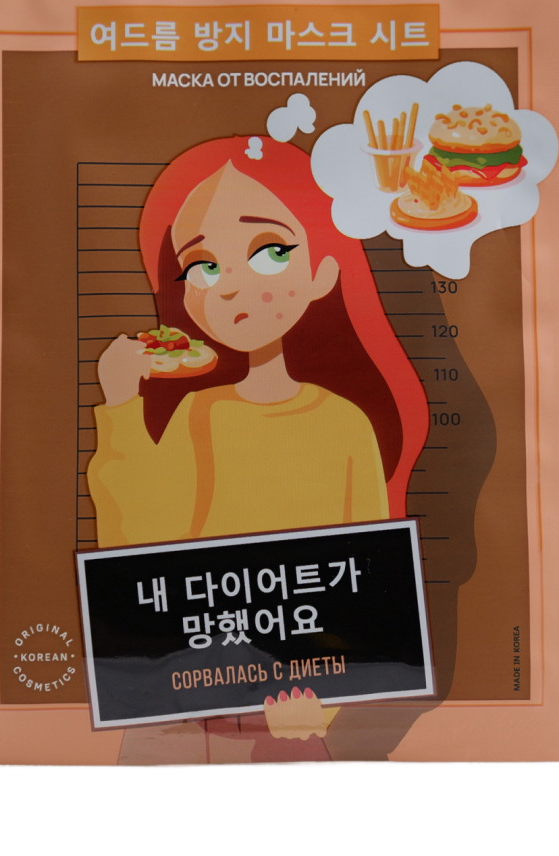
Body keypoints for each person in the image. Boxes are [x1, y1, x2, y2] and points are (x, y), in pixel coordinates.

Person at [87, 136, 428, 761]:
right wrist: (121, 405)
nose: (231, 287)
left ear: (323, 271)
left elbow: (367, 584)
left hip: (295, 712)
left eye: (271, 253)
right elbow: (136, 550)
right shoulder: (197, 413)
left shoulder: (346, 423)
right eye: (204, 267)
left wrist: (323, 698)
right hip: (188, 697)